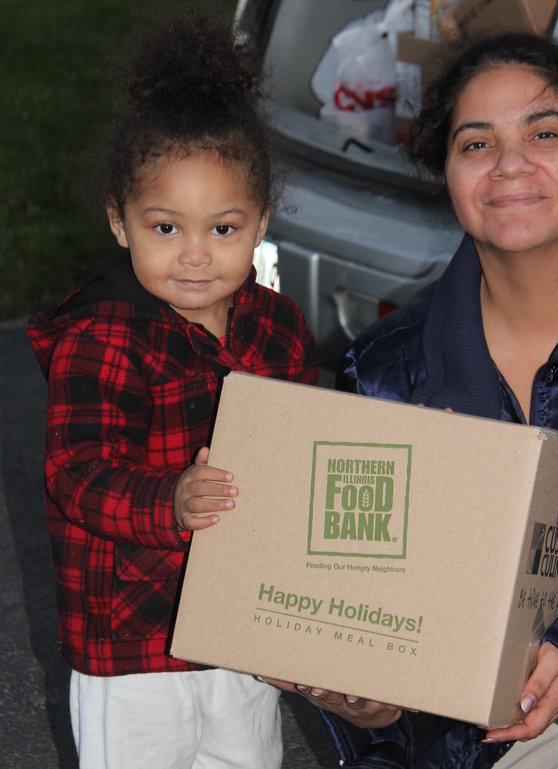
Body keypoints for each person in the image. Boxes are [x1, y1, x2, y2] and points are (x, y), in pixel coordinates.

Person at [268, 31, 558, 769]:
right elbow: (388, 615)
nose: (511, 164)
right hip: (520, 697)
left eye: (544, 133)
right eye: (476, 145)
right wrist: (377, 706)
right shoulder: (386, 376)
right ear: (445, 174)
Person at [25, 8, 317, 769]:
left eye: (222, 229)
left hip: (237, 630)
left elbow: (306, 451)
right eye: (165, 228)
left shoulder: (277, 328)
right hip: (131, 640)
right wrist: (171, 501)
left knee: (247, 757)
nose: (194, 255)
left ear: (260, 223)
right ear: (120, 222)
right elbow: (74, 473)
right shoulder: (104, 336)